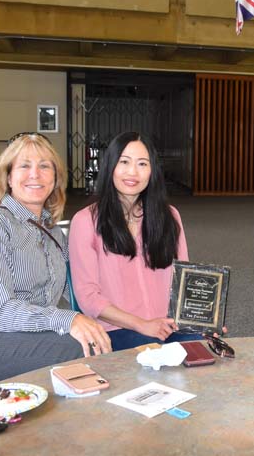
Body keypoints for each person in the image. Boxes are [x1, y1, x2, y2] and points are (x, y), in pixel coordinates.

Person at [0, 133, 111, 398]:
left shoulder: (54, 235)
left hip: (19, 339)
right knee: (76, 348)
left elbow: (63, 295)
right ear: (8, 177)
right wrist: (69, 320)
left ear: (56, 179)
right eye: (24, 166)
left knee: (89, 342)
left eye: (45, 166)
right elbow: (1, 311)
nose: (35, 174)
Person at [69, 132, 201, 351]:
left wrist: (202, 317)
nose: (133, 172)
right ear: (111, 165)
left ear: (152, 171)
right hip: (117, 330)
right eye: (124, 162)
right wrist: (143, 325)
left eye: (142, 163)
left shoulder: (169, 216)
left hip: (168, 326)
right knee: (158, 366)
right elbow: (88, 297)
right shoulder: (86, 221)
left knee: (207, 356)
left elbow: (183, 280)